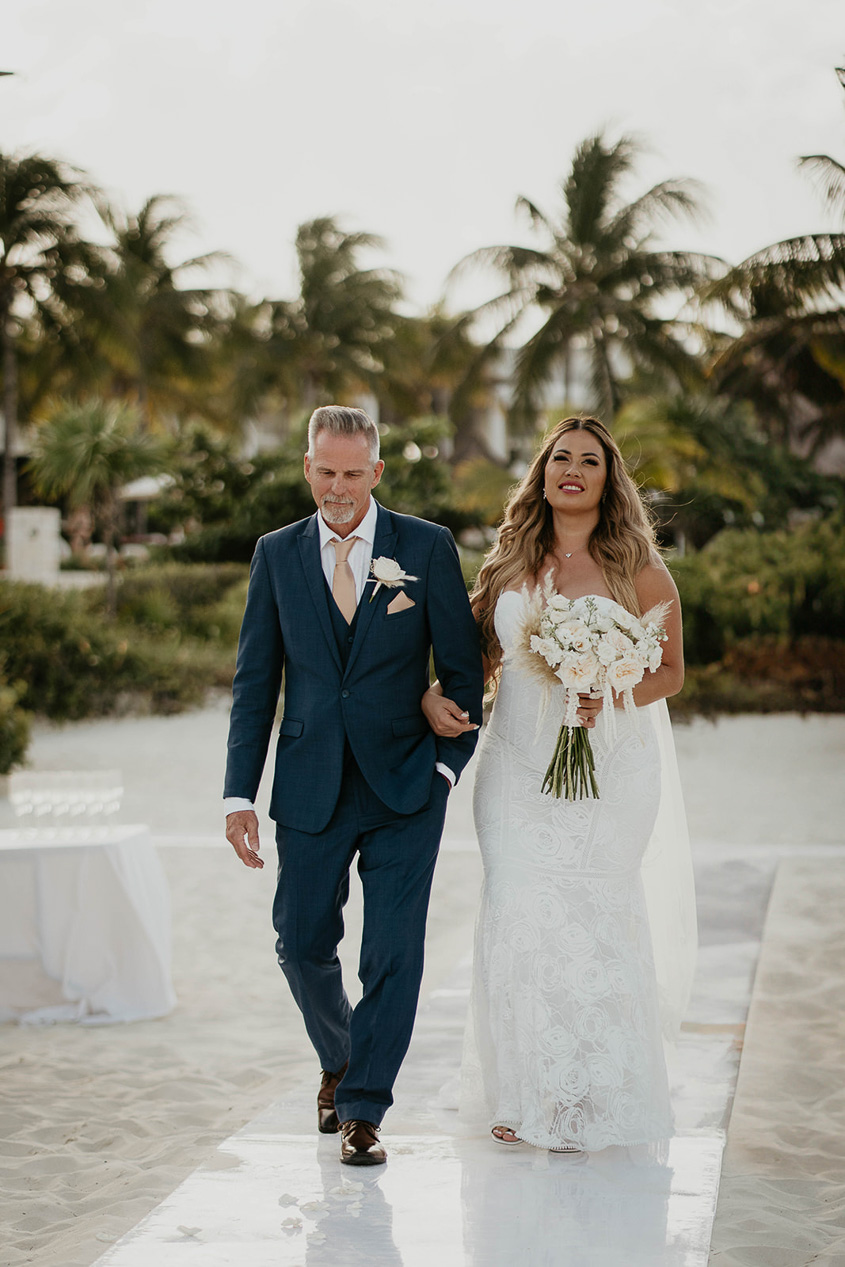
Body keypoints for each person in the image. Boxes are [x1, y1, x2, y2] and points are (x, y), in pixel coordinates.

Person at [422, 416, 697, 1152]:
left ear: (609, 481)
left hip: (608, 769)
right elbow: (467, 657)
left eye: (588, 461)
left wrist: (606, 691)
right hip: (514, 769)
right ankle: (521, 1088)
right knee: (515, 909)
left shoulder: (635, 565)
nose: (571, 469)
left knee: (593, 914)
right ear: (540, 474)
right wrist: (432, 695)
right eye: (558, 458)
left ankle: (593, 1091)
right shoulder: (509, 561)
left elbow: (668, 671)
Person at [224, 406, 483, 1166]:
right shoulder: (275, 554)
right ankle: (341, 1057)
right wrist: (238, 794)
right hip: (307, 783)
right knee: (300, 942)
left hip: (406, 782)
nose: (336, 487)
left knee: (393, 952)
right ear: (307, 467)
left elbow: (465, 673)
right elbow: (253, 684)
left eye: (351, 473)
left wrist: (443, 768)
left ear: (375, 472)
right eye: (324, 471)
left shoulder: (425, 547)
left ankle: (363, 1109)